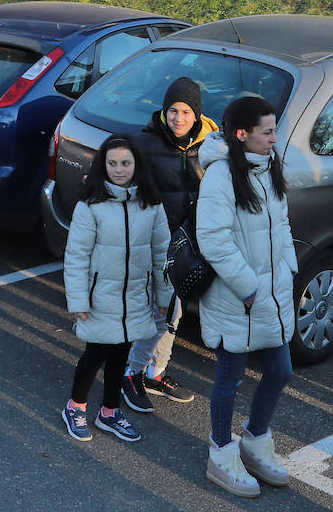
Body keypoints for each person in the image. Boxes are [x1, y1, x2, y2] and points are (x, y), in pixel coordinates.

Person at [197, 95, 296, 498]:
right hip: (237, 299)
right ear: (243, 134)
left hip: (271, 294)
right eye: (267, 131)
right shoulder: (221, 176)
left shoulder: (270, 167)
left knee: (281, 371)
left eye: (274, 129)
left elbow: (283, 222)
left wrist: (287, 268)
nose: (275, 138)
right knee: (230, 378)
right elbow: (214, 241)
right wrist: (250, 288)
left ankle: (255, 440)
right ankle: (221, 451)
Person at [61, 135, 171, 444]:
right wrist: (78, 299)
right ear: (102, 165)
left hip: (135, 297)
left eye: (125, 163)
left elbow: (161, 254)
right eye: (112, 163)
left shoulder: (151, 205)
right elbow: (77, 255)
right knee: (94, 354)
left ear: (137, 165)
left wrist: (163, 296)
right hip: (99, 298)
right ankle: (76, 407)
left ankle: (109, 411)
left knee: (120, 355)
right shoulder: (90, 205)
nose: (119, 170)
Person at [123, 76, 217, 412]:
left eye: (186, 112)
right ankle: (131, 374)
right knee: (156, 314)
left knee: (174, 314)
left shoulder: (210, 147)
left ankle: (156, 372)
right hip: (154, 244)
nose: (178, 118)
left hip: (189, 246)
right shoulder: (145, 145)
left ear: (197, 116)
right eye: (173, 110)